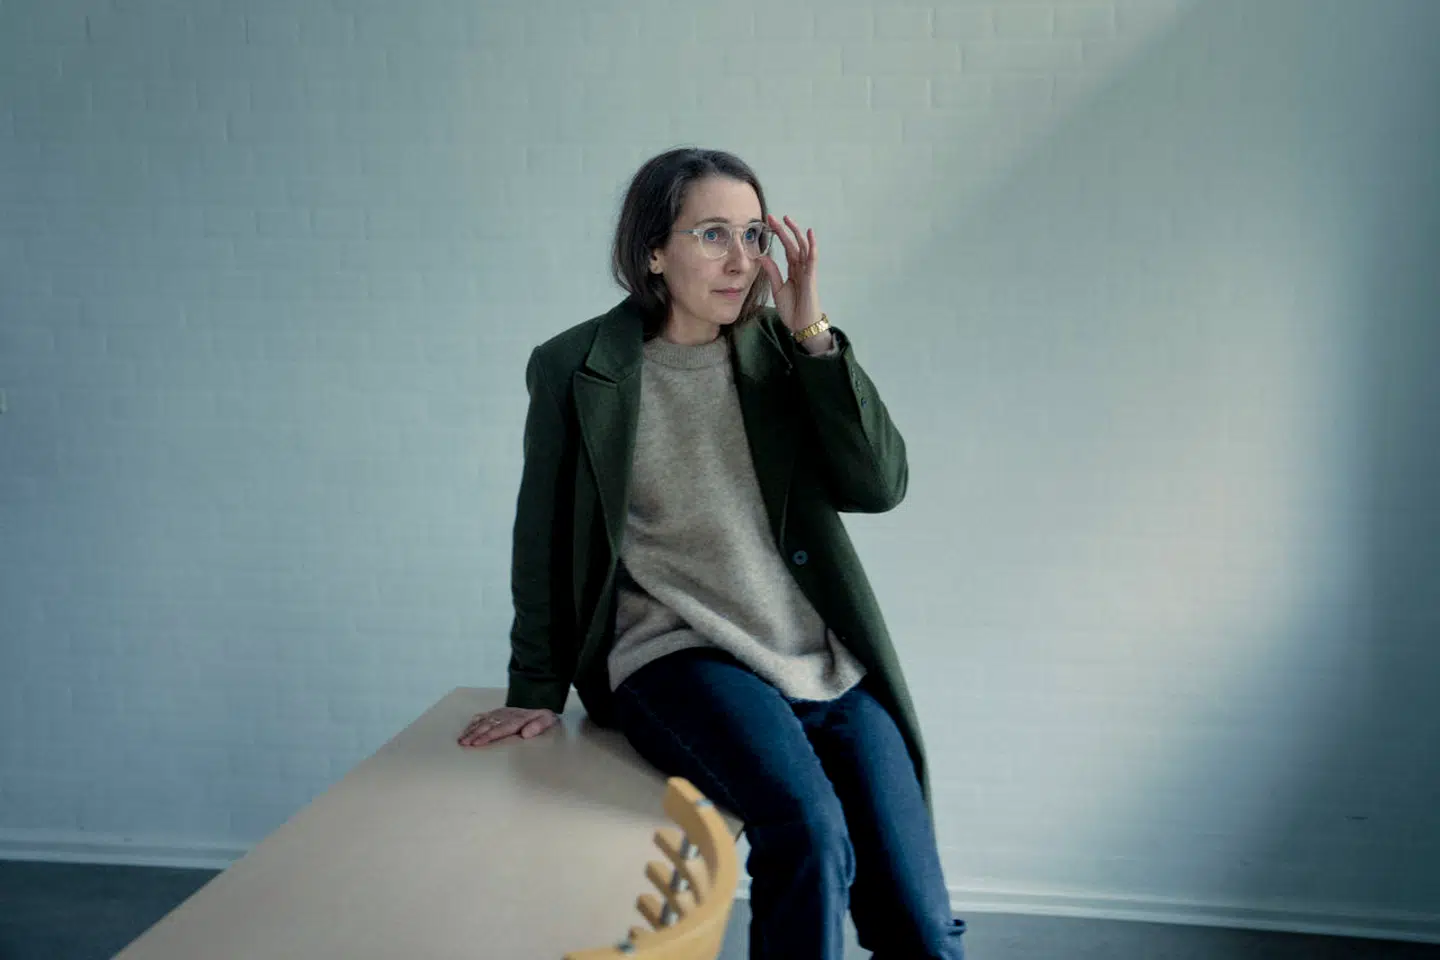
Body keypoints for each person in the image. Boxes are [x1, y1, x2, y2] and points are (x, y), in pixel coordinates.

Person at [456, 147, 966, 959]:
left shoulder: (785, 351)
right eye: (713, 234)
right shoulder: (576, 368)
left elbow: (879, 485)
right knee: (807, 831)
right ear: (653, 251)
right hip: (678, 650)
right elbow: (542, 534)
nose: (741, 259)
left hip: (816, 654)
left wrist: (813, 336)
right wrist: (535, 687)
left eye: (754, 234)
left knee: (921, 923)